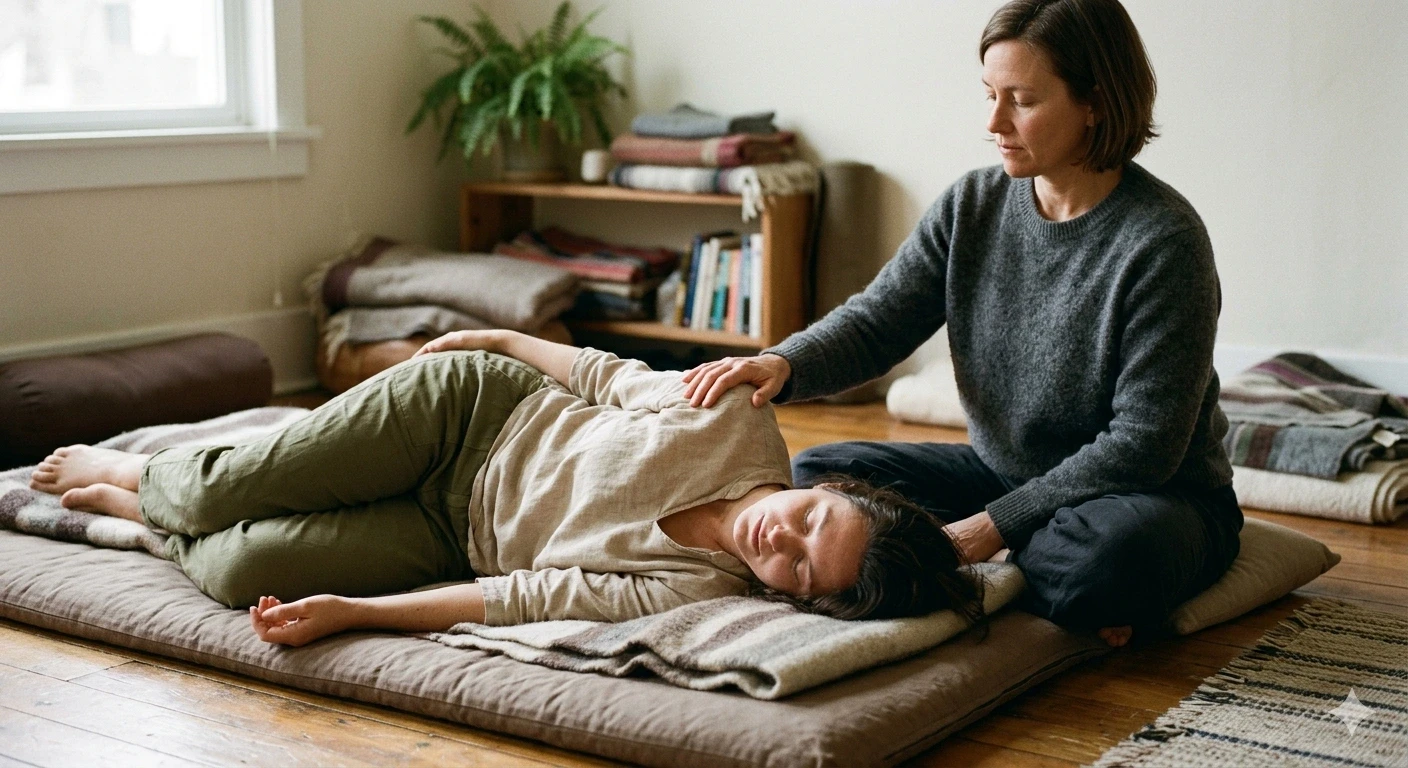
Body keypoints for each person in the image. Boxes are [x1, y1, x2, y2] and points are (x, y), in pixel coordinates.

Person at [680, 0, 1242, 648]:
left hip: (1155, 497)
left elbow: (1143, 446)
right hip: (1005, 472)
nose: (993, 122)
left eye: (1022, 100)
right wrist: (784, 364)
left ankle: (1003, 566)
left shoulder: (1164, 241)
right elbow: (878, 321)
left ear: (1095, 101)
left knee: (1104, 565)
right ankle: (1011, 566)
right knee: (820, 472)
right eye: (989, 95)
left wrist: (988, 529)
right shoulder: (973, 205)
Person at [28, 330, 982, 647]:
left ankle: (148, 524)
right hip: (469, 415)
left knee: (248, 568)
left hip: (454, 535)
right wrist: (497, 345)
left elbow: (518, 596)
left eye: (804, 573)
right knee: (215, 495)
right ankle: (142, 474)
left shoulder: (699, 592)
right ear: (828, 488)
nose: (785, 540)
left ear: (799, 602)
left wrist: (357, 612)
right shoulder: (733, 417)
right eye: (812, 519)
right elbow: (603, 374)